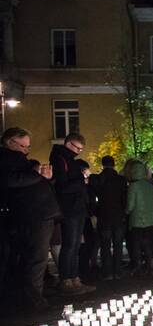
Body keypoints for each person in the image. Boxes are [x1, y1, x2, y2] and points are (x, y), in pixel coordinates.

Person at [0, 128, 59, 309]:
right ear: (9, 142)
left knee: (36, 257)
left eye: (28, 146)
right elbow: (12, 181)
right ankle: (33, 298)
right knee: (36, 257)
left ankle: (34, 292)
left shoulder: (20, 160)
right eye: (23, 146)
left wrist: (46, 178)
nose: (26, 150)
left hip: (39, 213)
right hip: (32, 215)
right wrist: (36, 174)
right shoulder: (5, 159)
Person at [49, 132, 93, 294]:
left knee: (75, 245)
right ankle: (66, 280)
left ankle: (74, 278)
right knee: (70, 245)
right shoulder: (60, 159)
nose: (79, 152)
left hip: (77, 207)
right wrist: (81, 182)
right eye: (77, 148)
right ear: (68, 144)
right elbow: (62, 186)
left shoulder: (68, 159)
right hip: (70, 208)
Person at [89, 155, 127, 281]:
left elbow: (92, 199)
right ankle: (118, 271)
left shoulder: (97, 179)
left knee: (105, 245)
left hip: (104, 216)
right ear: (114, 164)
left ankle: (107, 271)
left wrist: (95, 212)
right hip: (118, 215)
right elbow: (124, 199)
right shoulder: (121, 180)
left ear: (103, 164)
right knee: (118, 244)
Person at [124, 160, 153, 276]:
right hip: (151, 221)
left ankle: (138, 267)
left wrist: (126, 212)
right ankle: (150, 266)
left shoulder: (133, 186)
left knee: (137, 245)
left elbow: (130, 205)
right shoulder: (150, 185)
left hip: (137, 221)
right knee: (148, 244)